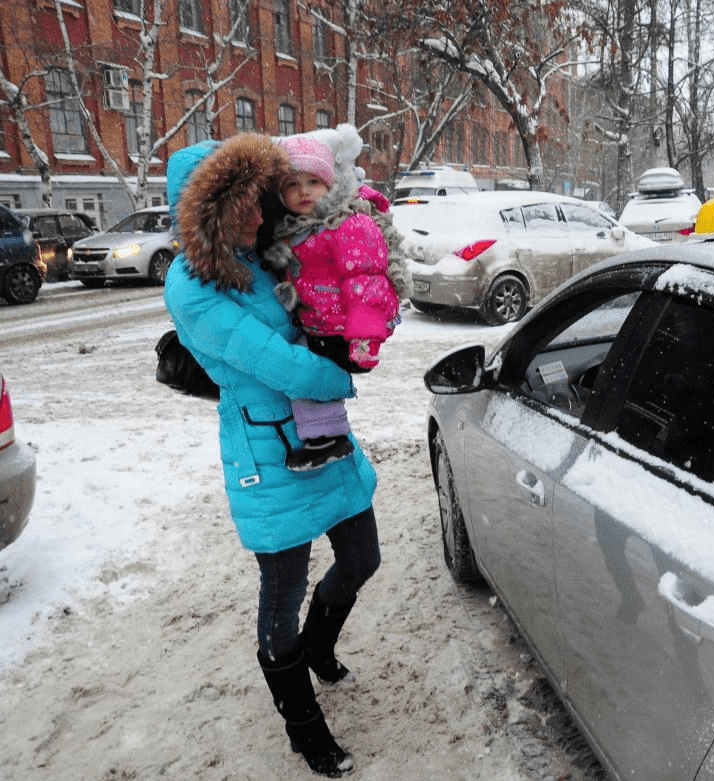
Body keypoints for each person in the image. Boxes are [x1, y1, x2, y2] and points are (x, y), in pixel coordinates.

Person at [163, 133, 381, 778]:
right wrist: (341, 372)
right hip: (269, 448)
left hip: (326, 435)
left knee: (363, 556)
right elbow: (274, 361)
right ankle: (303, 727)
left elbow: (328, 277)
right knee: (280, 595)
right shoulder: (193, 285)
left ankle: (319, 645)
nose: (264, 216)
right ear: (211, 213)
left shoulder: (262, 253)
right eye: (247, 206)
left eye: (263, 200)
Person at [265, 125, 401, 472]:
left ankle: (328, 438)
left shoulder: (347, 225)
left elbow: (365, 282)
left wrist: (365, 339)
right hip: (319, 325)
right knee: (304, 374)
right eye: (292, 185)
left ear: (329, 184)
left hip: (346, 330)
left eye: (313, 182)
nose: (303, 191)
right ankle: (325, 438)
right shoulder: (296, 231)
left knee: (305, 374)